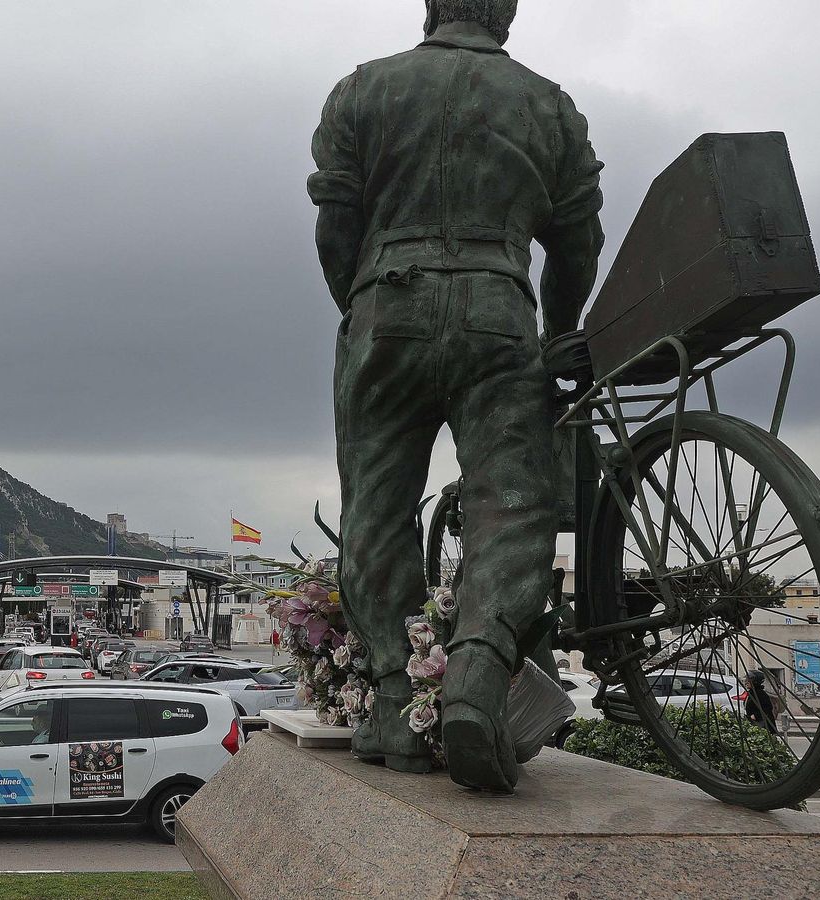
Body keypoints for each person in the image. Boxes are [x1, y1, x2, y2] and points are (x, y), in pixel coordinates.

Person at [308, 0, 603, 791]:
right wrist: (559, 330)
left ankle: (395, 705)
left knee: (375, 508)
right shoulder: (549, 105)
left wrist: (364, 306)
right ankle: (475, 674)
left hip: (386, 303)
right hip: (498, 307)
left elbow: (335, 229)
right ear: (505, 13)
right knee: (512, 501)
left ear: (433, 5)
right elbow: (577, 244)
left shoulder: (362, 89)